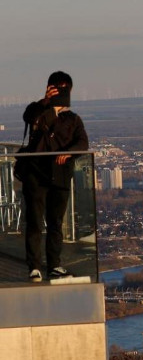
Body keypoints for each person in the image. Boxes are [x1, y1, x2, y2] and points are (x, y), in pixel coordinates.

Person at [20, 71, 88, 282]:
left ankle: (54, 265)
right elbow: (28, 117)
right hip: (36, 174)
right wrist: (46, 102)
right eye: (56, 87)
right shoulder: (38, 112)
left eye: (63, 88)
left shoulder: (73, 120)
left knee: (55, 222)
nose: (60, 91)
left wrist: (68, 153)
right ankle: (34, 266)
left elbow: (83, 143)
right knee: (35, 221)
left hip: (59, 176)